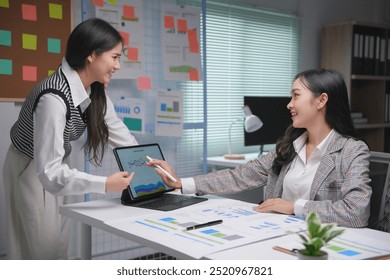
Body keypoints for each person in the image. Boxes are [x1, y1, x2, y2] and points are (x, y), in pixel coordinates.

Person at [148, 69, 372, 228]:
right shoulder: (290, 147)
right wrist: (183, 184)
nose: (289, 104)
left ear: (321, 100)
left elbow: (356, 212)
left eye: (296, 95)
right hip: (276, 234)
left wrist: (294, 207)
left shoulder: (351, 151)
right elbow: (240, 176)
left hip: (321, 247)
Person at [3, 18, 137, 259]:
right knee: (40, 251)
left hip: (50, 164)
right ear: (92, 55)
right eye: (115, 57)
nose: (118, 65)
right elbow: (50, 173)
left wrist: (151, 164)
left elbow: (121, 135)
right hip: (29, 167)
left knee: (57, 245)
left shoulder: (93, 90)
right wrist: (106, 183)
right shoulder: (53, 99)